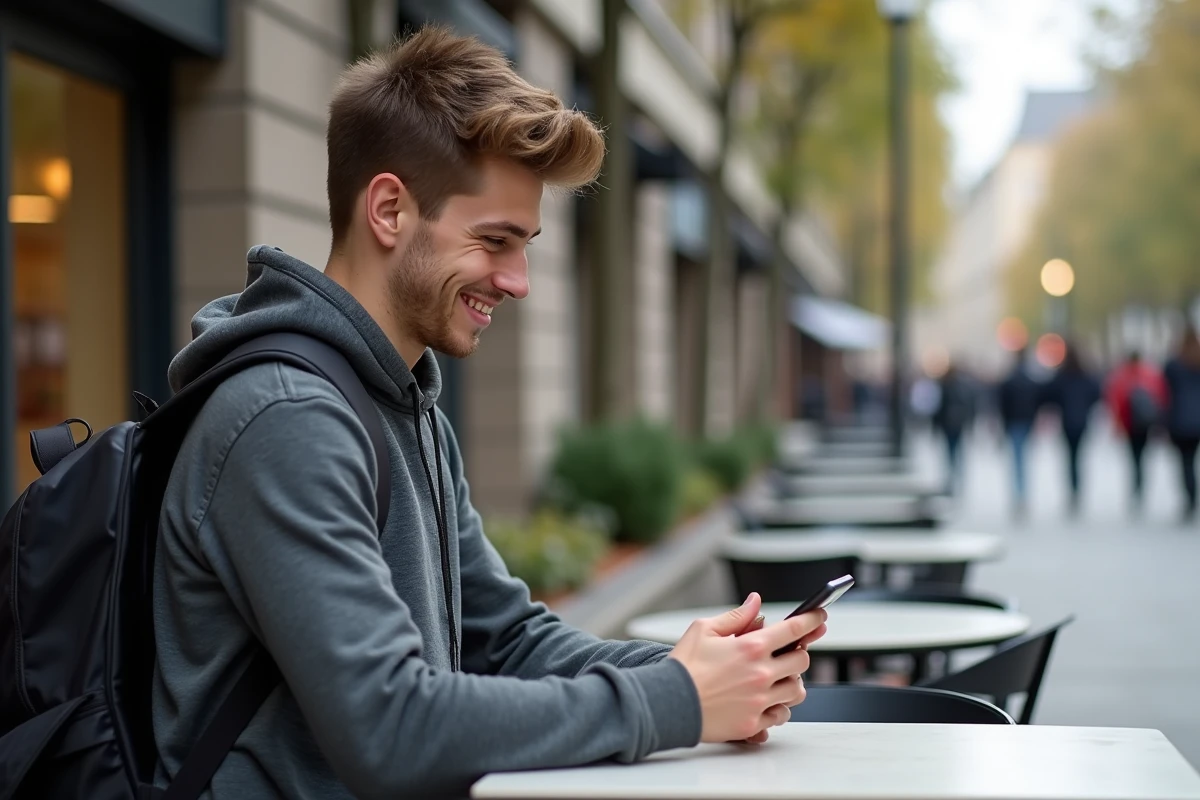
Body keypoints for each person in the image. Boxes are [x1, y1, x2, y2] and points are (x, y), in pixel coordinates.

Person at [152, 27, 828, 799]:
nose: (519, 280)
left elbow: (503, 640)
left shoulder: (404, 405)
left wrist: (701, 672)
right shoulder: (283, 418)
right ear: (388, 210)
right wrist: (678, 700)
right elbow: (390, 728)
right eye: (495, 240)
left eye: (527, 244)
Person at [1041, 343, 1102, 515]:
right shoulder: (1086, 375)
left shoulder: (1062, 376)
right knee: (1079, 457)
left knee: (1070, 458)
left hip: (1067, 422)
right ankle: (1077, 490)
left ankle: (1072, 491)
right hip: (1082, 422)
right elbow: (1096, 393)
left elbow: (1049, 394)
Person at [1105, 351, 1168, 511]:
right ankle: (1140, 487)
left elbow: (1115, 401)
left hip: (1129, 424)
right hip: (1145, 424)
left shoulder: (1121, 376)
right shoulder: (1150, 375)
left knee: (1134, 457)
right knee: (1142, 457)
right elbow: (1160, 398)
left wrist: (1116, 424)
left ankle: (1137, 488)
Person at [997, 347, 1043, 517]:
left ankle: (1019, 495)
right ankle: (1022, 495)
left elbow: (1002, 406)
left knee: (1017, 461)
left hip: (1013, 423)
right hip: (1026, 422)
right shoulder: (1031, 380)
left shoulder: (1008, 380)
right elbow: (1037, 404)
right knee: (1023, 461)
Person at [1163, 326, 1200, 520]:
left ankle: (1190, 499)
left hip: (1180, 420)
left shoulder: (1174, 364)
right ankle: (1192, 497)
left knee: (1185, 463)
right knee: (1190, 460)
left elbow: (1165, 392)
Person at [934, 364, 976, 496]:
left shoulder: (944, 386)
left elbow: (939, 408)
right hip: (958, 425)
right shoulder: (962, 387)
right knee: (958, 452)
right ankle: (959, 479)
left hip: (948, 425)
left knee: (950, 453)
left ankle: (952, 479)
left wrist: (935, 426)